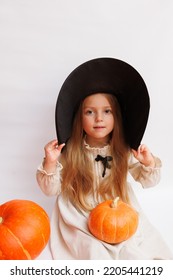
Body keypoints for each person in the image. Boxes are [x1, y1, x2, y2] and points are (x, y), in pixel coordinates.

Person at [36, 58, 172, 260]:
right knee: (93, 249)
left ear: (116, 117)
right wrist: (51, 161)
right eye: (90, 112)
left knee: (132, 249)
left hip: (116, 208)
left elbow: (149, 182)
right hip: (80, 212)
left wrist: (148, 162)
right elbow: (50, 190)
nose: (99, 118)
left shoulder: (123, 150)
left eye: (106, 111)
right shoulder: (71, 151)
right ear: (79, 118)